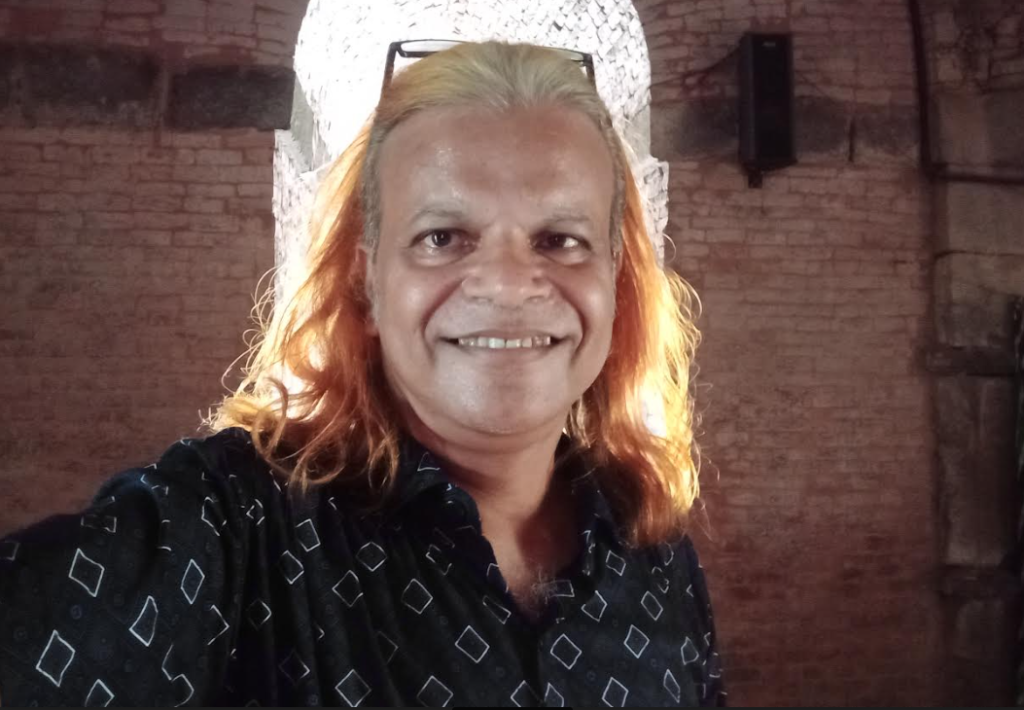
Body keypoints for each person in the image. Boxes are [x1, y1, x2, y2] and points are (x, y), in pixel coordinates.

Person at [0, 40, 724, 707]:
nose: (507, 284)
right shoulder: (234, 526)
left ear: (615, 279)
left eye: (560, 239)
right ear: (366, 284)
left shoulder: (655, 552)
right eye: (443, 237)